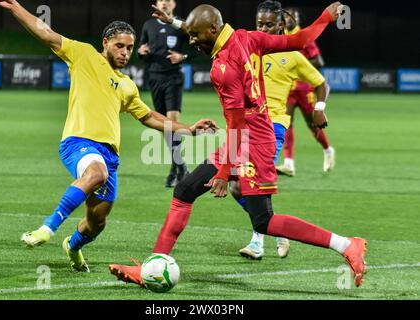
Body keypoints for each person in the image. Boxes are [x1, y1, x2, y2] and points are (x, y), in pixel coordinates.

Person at [109, 3, 368, 288]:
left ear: (212, 30)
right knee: (185, 190)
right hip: (252, 135)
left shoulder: (223, 68)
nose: (192, 41)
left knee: (263, 221)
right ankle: (152, 267)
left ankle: (347, 245)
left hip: (252, 141)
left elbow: (235, 126)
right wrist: (326, 18)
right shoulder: (246, 37)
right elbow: (300, 40)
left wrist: (222, 173)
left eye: (195, 36)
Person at [0, 0, 217, 272]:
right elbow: (45, 33)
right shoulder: (83, 54)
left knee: (97, 222)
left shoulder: (127, 86)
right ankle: (47, 228)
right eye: (119, 46)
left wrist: (189, 129)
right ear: (106, 42)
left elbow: (150, 117)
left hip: (110, 157)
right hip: (78, 143)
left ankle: (72, 246)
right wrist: (14, 7)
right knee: (97, 174)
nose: (125, 52)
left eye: (130, 48)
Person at [235, 0, 330, 261]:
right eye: (259, 24)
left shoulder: (294, 56)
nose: (263, 28)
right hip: (247, 126)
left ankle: (257, 242)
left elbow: (322, 83)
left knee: (254, 186)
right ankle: (276, 230)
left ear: (281, 24)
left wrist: (319, 107)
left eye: (269, 24)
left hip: (273, 126)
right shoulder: (249, 47)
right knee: (235, 186)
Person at [138, 0, 198, 187]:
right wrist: (141, 51)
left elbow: (197, 48)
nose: (164, 3)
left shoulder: (181, 26)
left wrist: (183, 57)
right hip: (155, 78)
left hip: (174, 78)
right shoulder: (148, 25)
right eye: (161, 0)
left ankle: (176, 170)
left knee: (172, 121)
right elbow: (140, 50)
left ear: (174, 4)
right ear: (156, 3)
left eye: (168, 0)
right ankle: (180, 167)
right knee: (164, 126)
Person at [276, 7, 335, 177]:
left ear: (297, 19)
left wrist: (300, 67)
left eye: (293, 16)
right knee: (286, 123)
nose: (290, 19)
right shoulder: (281, 36)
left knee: (313, 125)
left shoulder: (303, 37)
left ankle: (327, 149)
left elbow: (319, 61)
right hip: (288, 89)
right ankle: (289, 163)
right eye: (287, 16)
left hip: (305, 89)